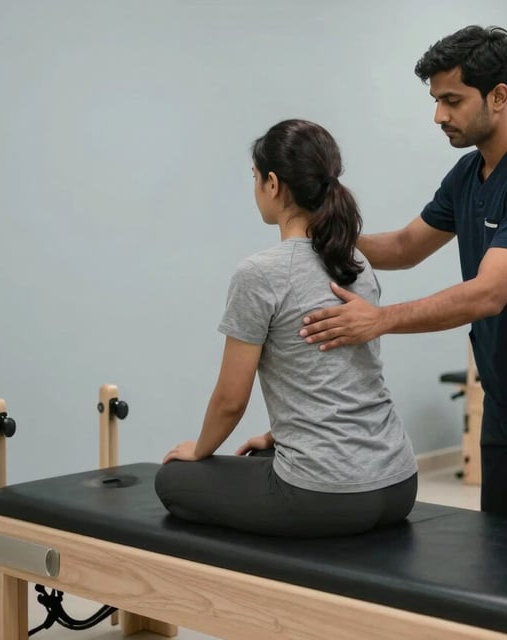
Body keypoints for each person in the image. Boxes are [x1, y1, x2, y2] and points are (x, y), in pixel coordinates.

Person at [299, 25, 507, 530]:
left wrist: (378, 320)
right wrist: (318, 236)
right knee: (503, 547)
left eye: (452, 100)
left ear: (498, 96)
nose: (439, 115)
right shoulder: (469, 175)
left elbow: (488, 294)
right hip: (504, 393)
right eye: (435, 100)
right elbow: (405, 247)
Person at [155, 119, 418, 537]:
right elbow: (342, 377)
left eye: (255, 178)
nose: (256, 187)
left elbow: (230, 400)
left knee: (172, 480)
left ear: (273, 184)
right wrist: (279, 434)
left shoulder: (260, 273)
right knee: (258, 459)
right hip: (399, 482)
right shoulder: (357, 263)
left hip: (325, 495)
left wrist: (199, 450)